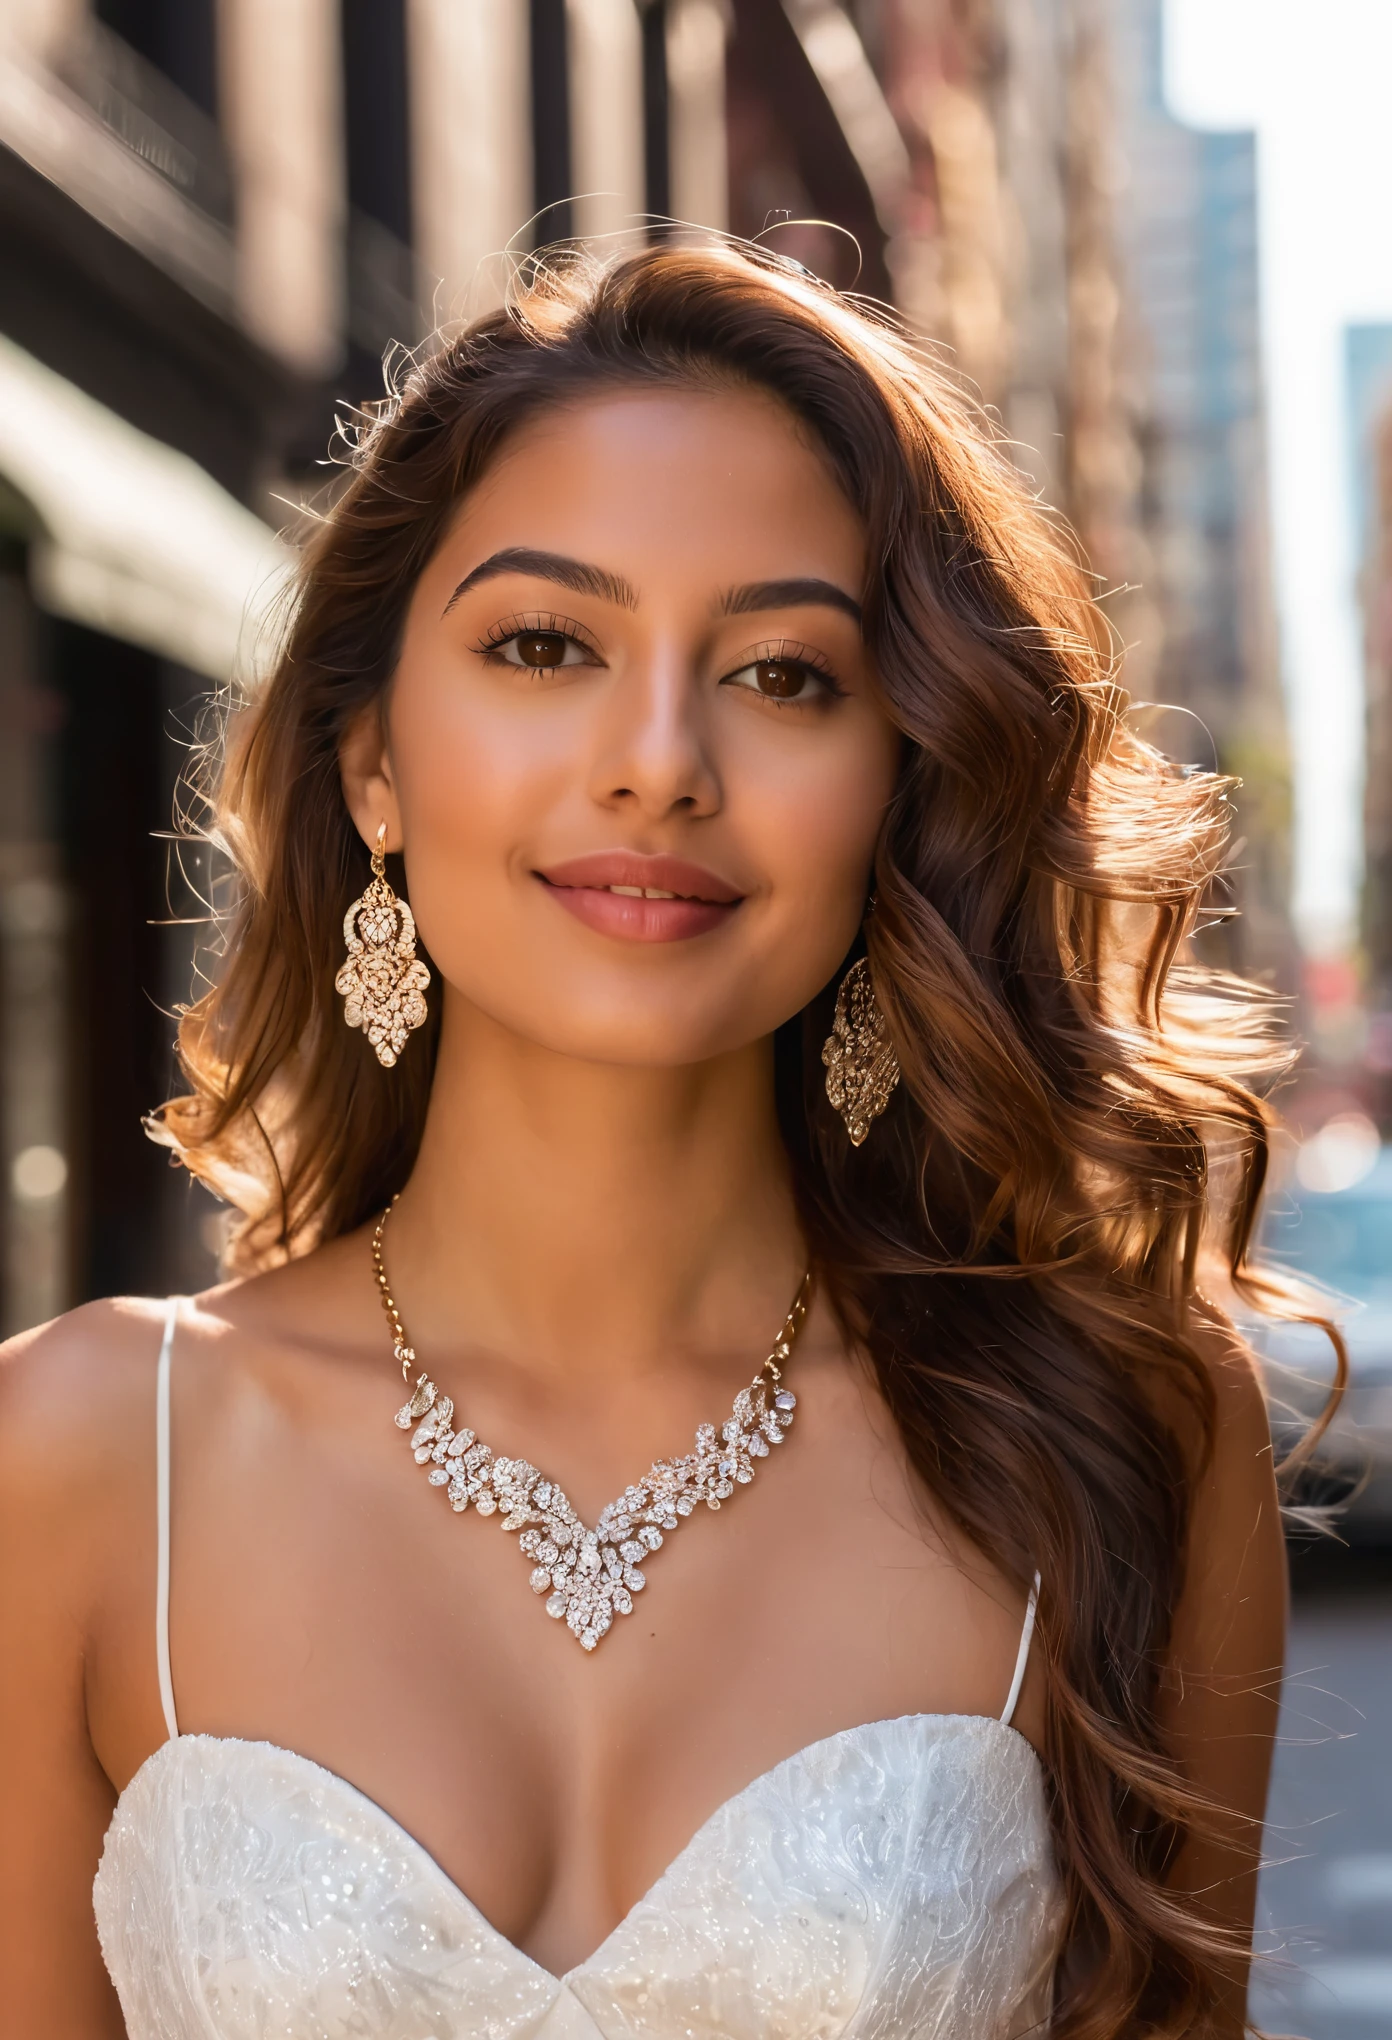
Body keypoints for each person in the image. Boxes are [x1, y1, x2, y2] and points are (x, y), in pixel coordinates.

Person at [0, 240, 1309, 2038]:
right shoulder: (76, 1459)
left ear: (902, 782)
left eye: (783, 675)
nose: (658, 760)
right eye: (546, 645)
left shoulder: (1127, 1429)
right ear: (372, 758)